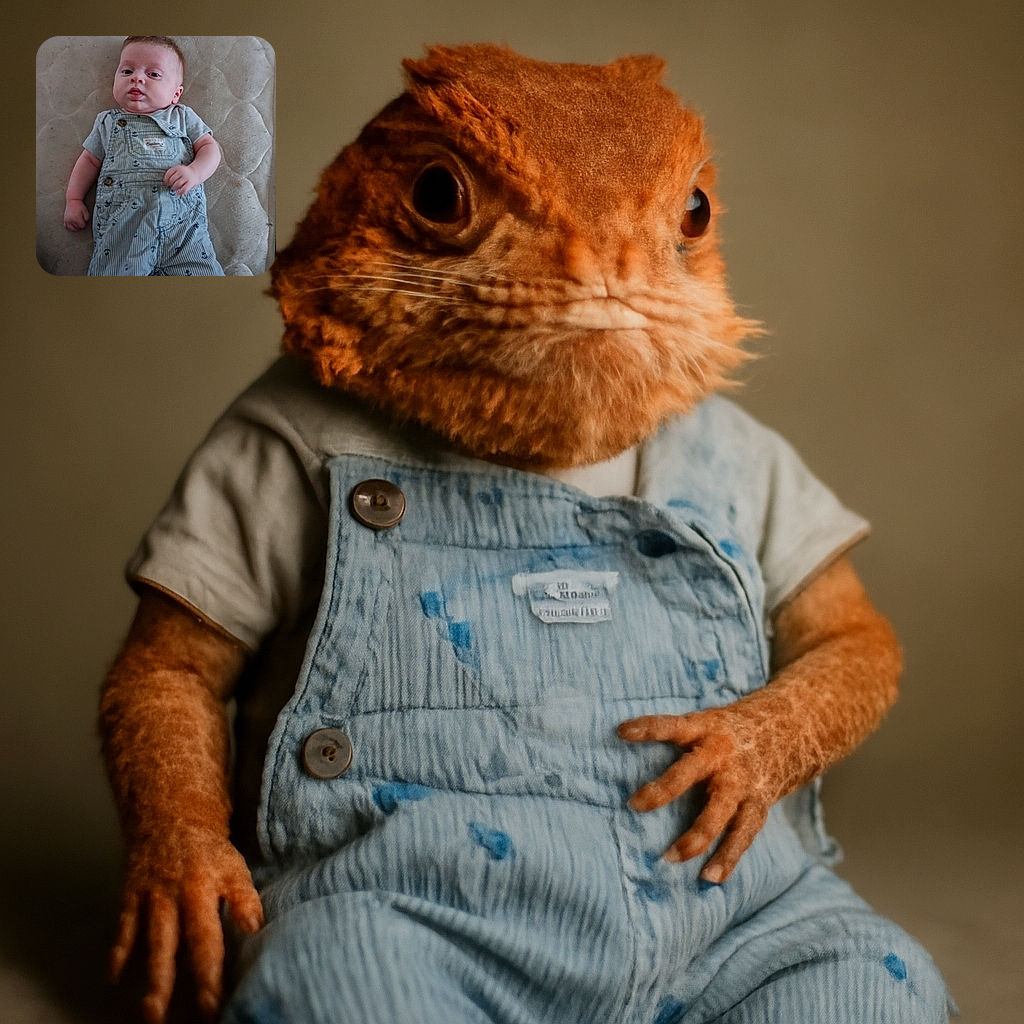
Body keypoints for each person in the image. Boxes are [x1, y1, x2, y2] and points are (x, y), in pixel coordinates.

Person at [63, 36, 224, 276]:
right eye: (127, 71)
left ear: (175, 94)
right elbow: (89, 160)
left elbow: (210, 148)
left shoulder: (182, 116)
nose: (137, 78)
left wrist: (195, 172)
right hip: (123, 228)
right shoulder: (107, 121)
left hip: (183, 232)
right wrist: (73, 199)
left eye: (154, 74)